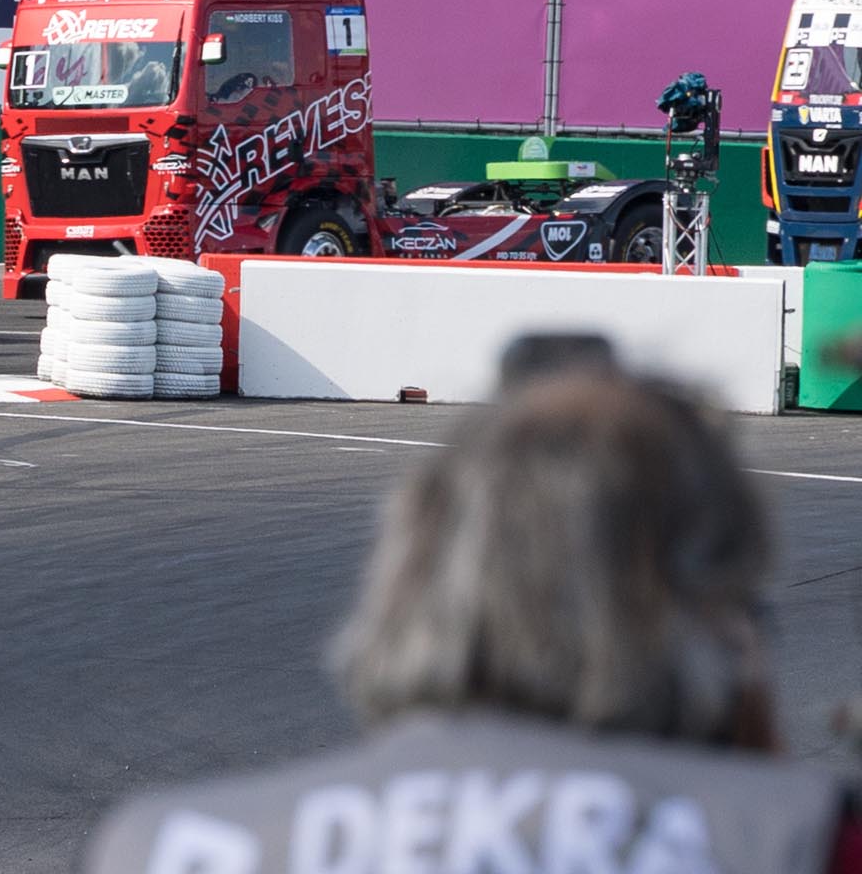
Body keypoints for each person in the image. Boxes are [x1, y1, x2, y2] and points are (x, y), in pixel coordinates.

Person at [85, 360, 854, 874]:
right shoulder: (792, 838)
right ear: (717, 624)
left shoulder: (161, 847)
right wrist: (760, 767)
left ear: (409, 577)